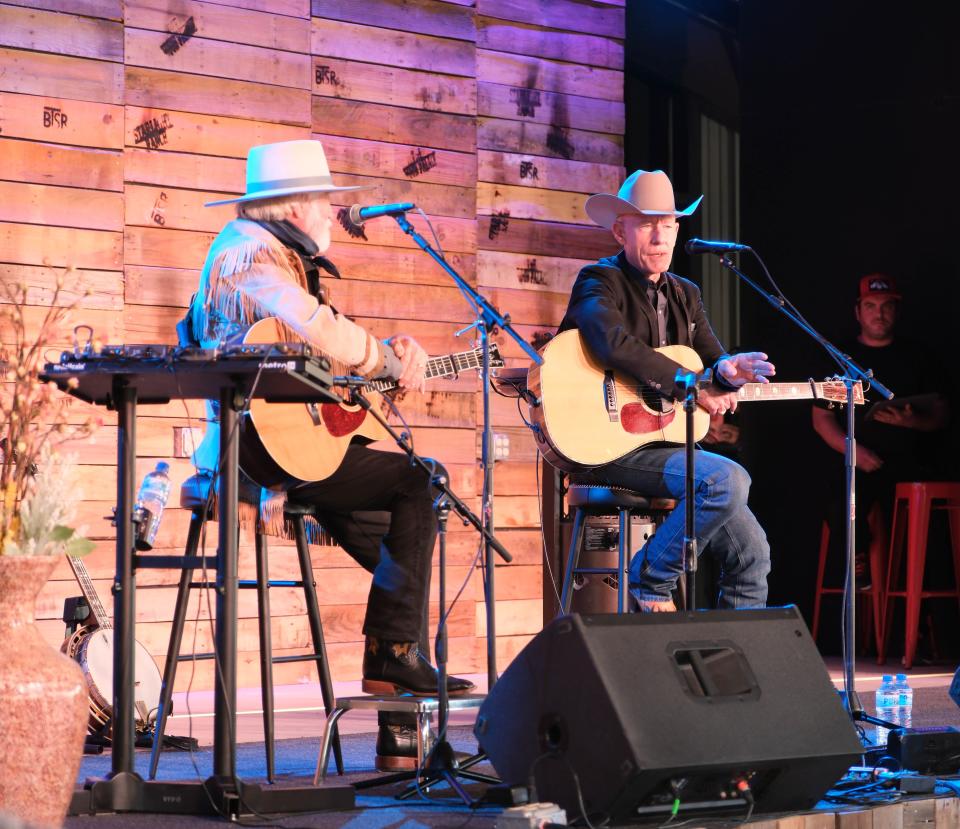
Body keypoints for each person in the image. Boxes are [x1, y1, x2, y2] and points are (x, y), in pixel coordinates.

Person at [186, 139, 473, 771]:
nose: (329, 213)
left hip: (293, 451)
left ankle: (400, 729)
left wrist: (382, 362)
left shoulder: (279, 253)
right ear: (290, 205)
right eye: (321, 201)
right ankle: (392, 663)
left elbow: (317, 359)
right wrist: (381, 357)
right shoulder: (248, 249)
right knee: (423, 486)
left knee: (403, 552)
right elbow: (311, 326)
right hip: (252, 454)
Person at [557, 169, 774, 611]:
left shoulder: (685, 294)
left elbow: (711, 359)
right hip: (611, 446)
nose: (661, 236)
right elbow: (610, 342)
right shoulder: (598, 281)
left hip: (662, 443)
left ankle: (733, 669)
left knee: (753, 554)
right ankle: (650, 579)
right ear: (621, 230)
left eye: (669, 224)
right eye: (647, 224)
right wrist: (689, 385)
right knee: (726, 479)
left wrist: (730, 370)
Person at [811, 274, 951, 586]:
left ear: (896, 311)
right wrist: (854, 451)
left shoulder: (919, 356)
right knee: (839, 494)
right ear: (858, 311)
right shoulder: (841, 358)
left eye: (887, 306)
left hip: (911, 462)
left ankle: (918, 589)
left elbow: (942, 414)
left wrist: (912, 421)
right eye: (871, 306)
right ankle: (860, 566)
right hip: (860, 460)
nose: (879, 313)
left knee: (929, 518)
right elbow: (821, 419)